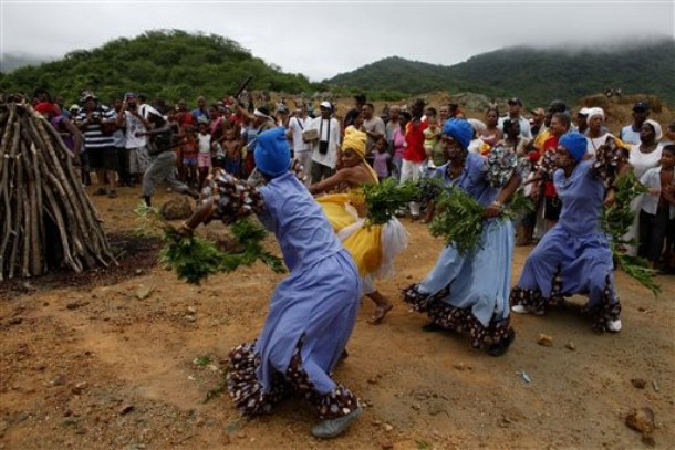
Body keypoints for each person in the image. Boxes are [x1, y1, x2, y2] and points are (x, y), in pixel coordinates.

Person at [182, 128, 362, 438]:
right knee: (295, 323)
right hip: (338, 266)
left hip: (324, 278)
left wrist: (188, 226)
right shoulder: (292, 180)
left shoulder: (272, 193)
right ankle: (318, 361)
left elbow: (212, 202)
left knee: (283, 351)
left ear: (259, 163)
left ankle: (340, 405)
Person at [403, 119, 521, 356]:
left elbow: (514, 176)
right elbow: (426, 193)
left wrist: (498, 202)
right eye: (443, 141)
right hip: (464, 228)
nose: (445, 146)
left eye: (450, 141)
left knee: (487, 283)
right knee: (448, 269)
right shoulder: (441, 172)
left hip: (491, 229)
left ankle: (501, 333)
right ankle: (443, 317)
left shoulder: (479, 165)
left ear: (461, 143)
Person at [510, 132, 623, 333]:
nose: (557, 155)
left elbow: (615, 165)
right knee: (538, 257)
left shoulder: (590, 171)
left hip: (591, 233)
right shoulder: (559, 174)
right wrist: (535, 180)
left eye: (562, 152)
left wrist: (612, 190)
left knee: (599, 274)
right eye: (558, 151)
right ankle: (532, 301)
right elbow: (544, 168)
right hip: (564, 230)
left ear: (574, 155)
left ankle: (606, 313)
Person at [311, 128, 406, 324]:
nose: (344, 159)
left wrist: (294, 190)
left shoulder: (350, 171)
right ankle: (356, 293)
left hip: (373, 227)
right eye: (343, 154)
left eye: (348, 154)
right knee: (353, 262)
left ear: (358, 155)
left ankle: (381, 302)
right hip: (381, 223)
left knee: (350, 264)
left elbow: (319, 187)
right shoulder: (366, 168)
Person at [141, 111, 198, 207]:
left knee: (148, 176)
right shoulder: (158, 128)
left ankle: (147, 204)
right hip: (166, 155)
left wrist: (146, 133)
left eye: (150, 116)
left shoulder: (166, 127)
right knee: (172, 181)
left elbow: (166, 130)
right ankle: (194, 195)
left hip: (166, 156)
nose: (148, 118)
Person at [638, 145, 675, 268]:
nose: (664, 158)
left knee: (658, 238)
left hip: (664, 211)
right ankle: (642, 261)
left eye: (668, 156)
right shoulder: (651, 172)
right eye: (663, 155)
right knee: (644, 236)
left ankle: (653, 263)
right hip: (648, 208)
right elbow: (638, 186)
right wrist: (650, 190)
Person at [76, 92, 118, 197]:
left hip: (107, 143)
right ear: (84, 102)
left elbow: (114, 120)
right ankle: (101, 187)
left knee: (110, 166)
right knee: (97, 166)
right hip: (91, 144)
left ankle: (112, 188)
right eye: (87, 101)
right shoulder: (81, 111)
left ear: (95, 101)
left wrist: (101, 120)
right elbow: (77, 125)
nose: (89, 103)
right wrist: (87, 121)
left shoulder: (104, 109)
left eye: (91, 100)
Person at [400, 99, 427, 220]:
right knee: (404, 181)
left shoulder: (426, 122)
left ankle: (415, 210)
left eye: (415, 106)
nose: (413, 108)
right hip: (408, 156)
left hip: (420, 158)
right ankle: (400, 207)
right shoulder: (409, 123)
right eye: (412, 106)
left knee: (417, 183)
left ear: (421, 108)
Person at [117, 93, 152, 187]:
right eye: (129, 100)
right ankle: (136, 183)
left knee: (144, 167)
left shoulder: (143, 109)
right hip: (130, 143)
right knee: (133, 169)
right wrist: (123, 109)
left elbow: (148, 125)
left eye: (133, 99)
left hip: (142, 142)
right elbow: (118, 123)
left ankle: (145, 184)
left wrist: (138, 115)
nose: (131, 102)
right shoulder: (125, 112)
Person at [307, 102, 340, 184]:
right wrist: (313, 138)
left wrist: (338, 157)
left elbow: (337, 141)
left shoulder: (335, 122)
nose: (323, 111)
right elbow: (306, 134)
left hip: (330, 157)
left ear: (330, 110)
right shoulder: (315, 121)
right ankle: (314, 196)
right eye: (322, 109)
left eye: (325, 109)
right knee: (315, 179)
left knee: (328, 181)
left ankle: (326, 196)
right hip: (316, 156)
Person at [288, 104, 313, 186]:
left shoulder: (311, 120)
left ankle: (306, 188)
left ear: (305, 109)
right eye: (298, 107)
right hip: (298, 149)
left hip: (309, 149)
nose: (299, 109)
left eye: (301, 107)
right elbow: (289, 134)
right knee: (296, 170)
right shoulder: (293, 119)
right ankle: (296, 187)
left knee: (307, 171)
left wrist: (309, 137)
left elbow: (314, 133)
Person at [392, 112, 409, 182]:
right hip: (397, 157)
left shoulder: (410, 131)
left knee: (406, 176)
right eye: (398, 119)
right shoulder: (396, 131)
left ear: (407, 120)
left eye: (402, 119)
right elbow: (392, 146)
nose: (399, 121)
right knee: (396, 177)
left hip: (408, 157)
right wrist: (391, 159)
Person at [197, 118, 213, 190]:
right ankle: (200, 183)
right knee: (201, 170)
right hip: (200, 155)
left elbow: (210, 145)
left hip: (208, 155)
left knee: (206, 170)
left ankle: (205, 185)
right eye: (200, 128)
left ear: (206, 128)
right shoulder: (198, 136)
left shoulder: (209, 136)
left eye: (203, 128)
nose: (202, 129)